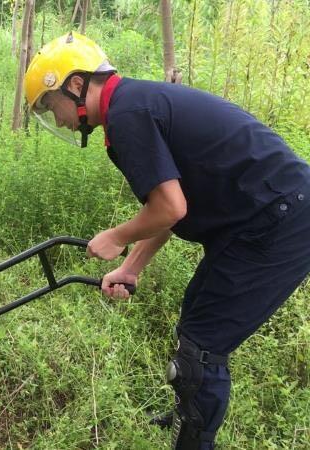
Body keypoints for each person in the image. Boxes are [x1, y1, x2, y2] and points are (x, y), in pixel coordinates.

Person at [23, 32, 310, 449]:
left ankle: (193, 440)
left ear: (77, 85)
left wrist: (116, 237)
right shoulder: (133, 104)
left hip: (280, 217)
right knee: (194, 324)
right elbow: (173, 205)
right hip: (262, 215)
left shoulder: (126, 116)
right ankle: (188, 420)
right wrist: (130, 267)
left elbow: (170, 208)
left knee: (202, 350)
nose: (60, 119)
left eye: (52, 107)